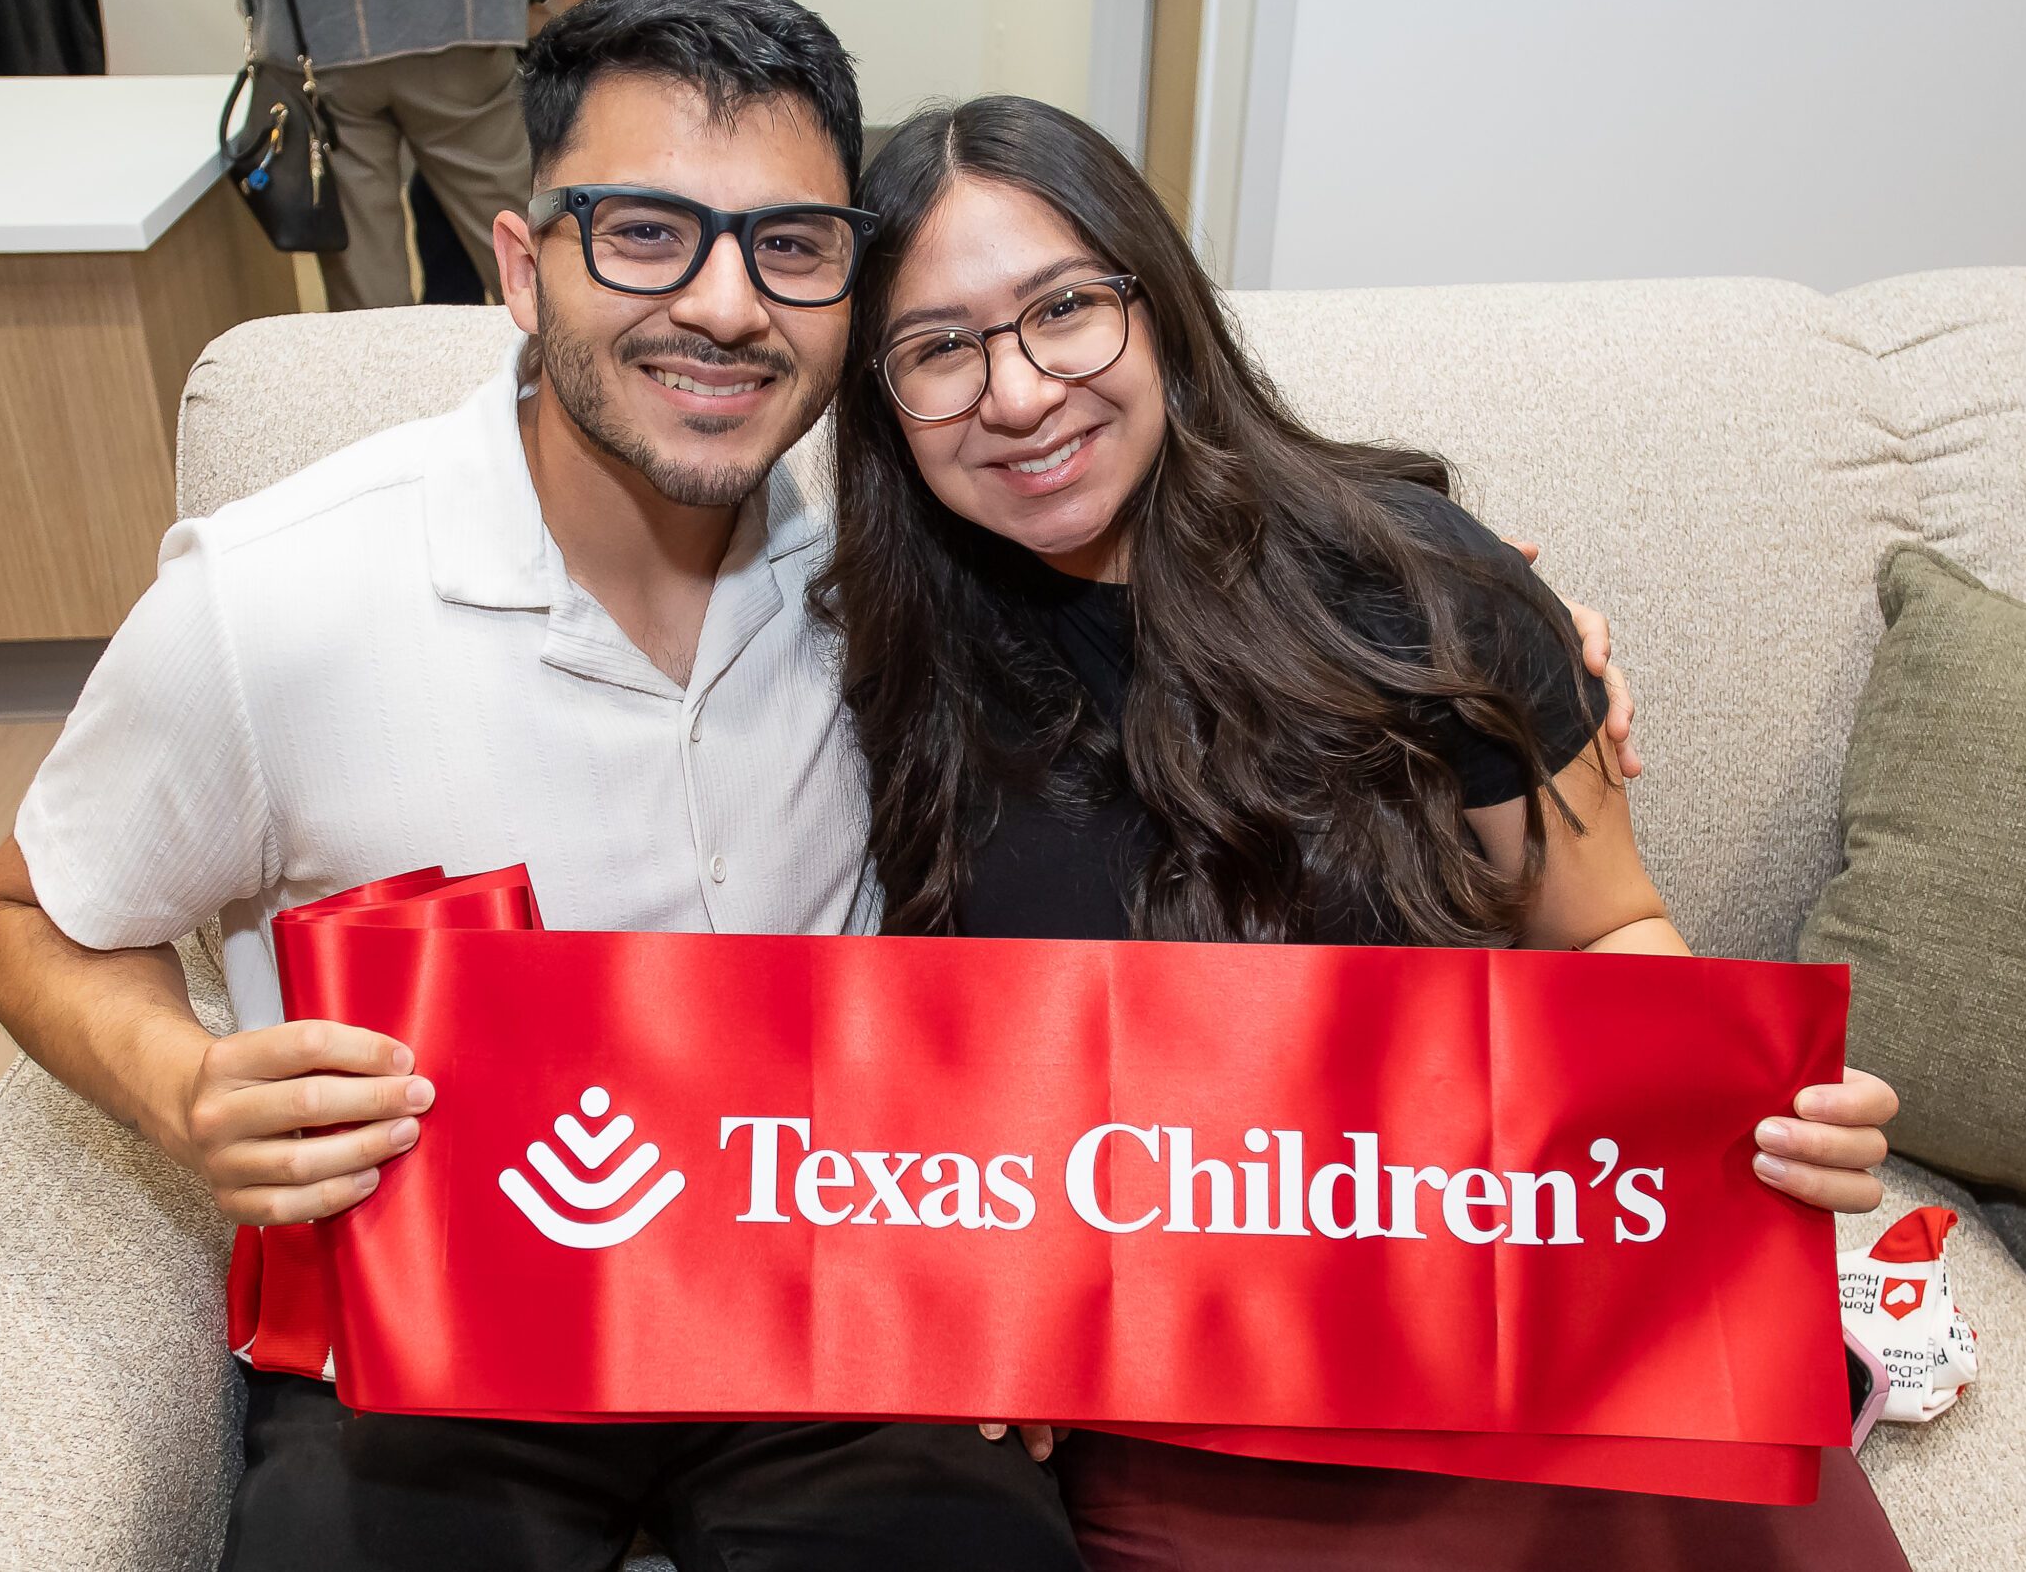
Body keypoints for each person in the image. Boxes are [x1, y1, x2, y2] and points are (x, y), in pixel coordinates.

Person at [0, 0, 1079, 1572]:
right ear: (520, 264)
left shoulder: (905, 567)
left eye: (790, 245)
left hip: (821, 1287)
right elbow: (33, 908)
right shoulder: (273, 598)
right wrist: (183, 1084)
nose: (723, 305)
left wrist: (1499, 640)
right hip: (436, 1329)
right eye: (644, 231)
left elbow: (1179, 632)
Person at [813, 94, 1909, 1570]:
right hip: (1171, 1385)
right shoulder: (864, 676)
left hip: (1509, 1310)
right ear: (881, 400)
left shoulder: (1418, 586)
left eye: (1065, 309)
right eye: (940, 348)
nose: (1017, 393)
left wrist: (1735, 1110)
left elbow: (1601, 926)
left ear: (1161, 310)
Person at [164, 0, 540, 312]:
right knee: (530, 259)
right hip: (464, 2)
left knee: (369, 295)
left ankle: (388, 382)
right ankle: (568, 376)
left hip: (313, 19)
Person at [414, 0, 667, 305]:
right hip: (497, 18)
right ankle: (460, 359)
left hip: (601, 12)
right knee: (441, 212)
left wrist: (552, 6)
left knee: (599, 197)